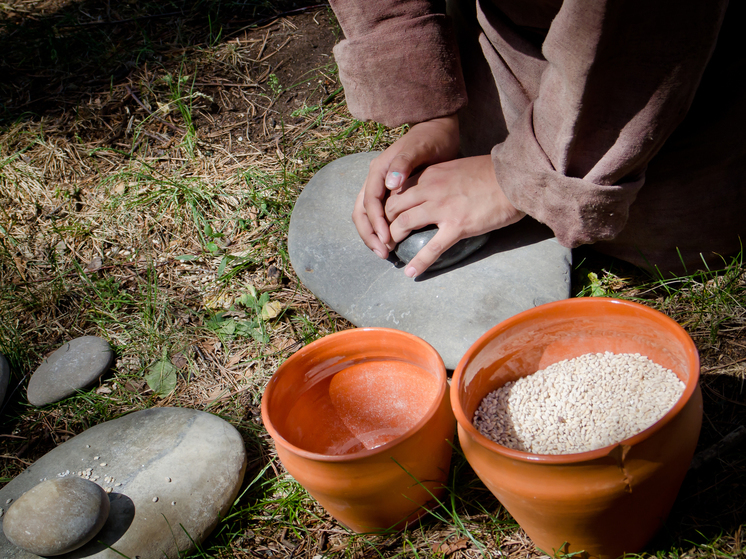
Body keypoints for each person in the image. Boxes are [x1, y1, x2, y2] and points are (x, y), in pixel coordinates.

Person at [327, 0, 745, 278]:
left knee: (668, 229)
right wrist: (431, 110)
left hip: (654, 76)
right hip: (503, 27)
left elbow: (632, 29)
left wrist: (527, 179)